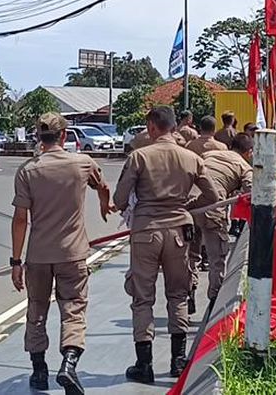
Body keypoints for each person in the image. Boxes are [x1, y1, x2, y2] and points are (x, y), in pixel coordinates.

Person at [11, 113, 114, 395]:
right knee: (73, 309)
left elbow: (21, 219)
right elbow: (103, 187)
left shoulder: (28, 170)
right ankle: (68, 364)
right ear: (65, 136)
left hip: (38, 256)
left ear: (38, 138)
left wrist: (16, 262)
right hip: (73, 254)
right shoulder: (82, 164)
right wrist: (104, 205)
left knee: (37, 310)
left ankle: (38, 370)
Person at [114, 106, 203, 383]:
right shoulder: (191, 158)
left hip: (145, 233)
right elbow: (211, 194)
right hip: (179, 232)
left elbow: (119, 200)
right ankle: (178, 361)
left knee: (143, 298)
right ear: (174, 127)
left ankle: (145, 364)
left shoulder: (139, 157)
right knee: (177, 295)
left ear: (152, 127)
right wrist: (185, 205)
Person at [190, 134, 254, 305]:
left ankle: (189, 291)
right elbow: (252, 192)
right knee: (216, 258)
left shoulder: (210, 155)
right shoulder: (243, 166)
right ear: (249, 152)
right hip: (213, 210)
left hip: (190, 207)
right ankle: (214, 298)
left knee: (190, 255)